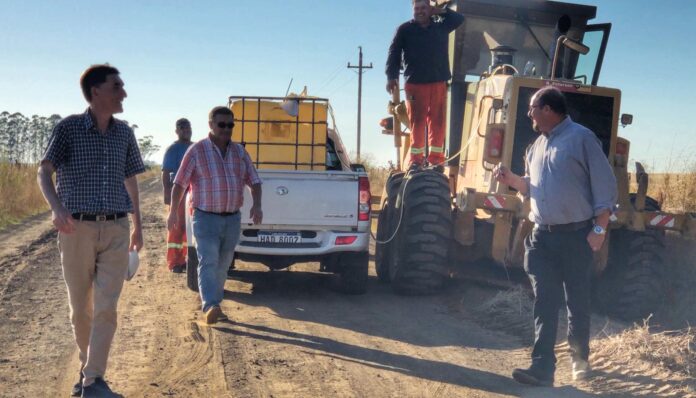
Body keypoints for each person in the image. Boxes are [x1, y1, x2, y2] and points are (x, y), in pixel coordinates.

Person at [494, 86, 617, 386]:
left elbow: (606, 188)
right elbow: (532, 187)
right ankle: (542, 367)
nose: (529, 114)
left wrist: (599, 230)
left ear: (548, 109)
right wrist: (511, 180)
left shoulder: (582, 139)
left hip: (576, 236)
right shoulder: (535, 146)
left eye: (532, 108)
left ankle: (580, 360)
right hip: (541, 238)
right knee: (544, 301)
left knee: (576, 300)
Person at [37, 64, 145, 398]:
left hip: (115, 228)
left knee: (106, 306)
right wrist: (56, 208)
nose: (123, 92)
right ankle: (88, 371)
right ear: (96, 92)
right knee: (80, 309)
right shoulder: (68, 129)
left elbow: (131, 179)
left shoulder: (124, 132)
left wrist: (138, 223)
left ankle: (93, 380)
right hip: (75, 229)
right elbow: (44, 171)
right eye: (117, 86)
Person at [167, 106, 262, 325]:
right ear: (211, 124)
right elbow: (179, 183)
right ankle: (210, 305)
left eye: (230, 125)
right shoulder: (197, 151)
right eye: (222, 124)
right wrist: (173, 211)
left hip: (232, 219)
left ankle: (215, 303)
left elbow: (254, 180)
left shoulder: (239, 152)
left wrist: (257, 205)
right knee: (208, 261)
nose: (226, 129)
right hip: (205, 218)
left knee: (224, 263)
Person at [385, 0, 464, 171]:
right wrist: (391, 76)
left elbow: (459, 19)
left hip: (438, 81)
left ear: (430, 9)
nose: (420, 11)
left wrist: (440, 11)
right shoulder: (404, 30)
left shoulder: (440, 27)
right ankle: (416, 160)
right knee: (418, 122)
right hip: (415, 83)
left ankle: (436, 160)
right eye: (417, 8)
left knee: (438, 121)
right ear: (412, 10)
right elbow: (393, 53)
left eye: (424, 8)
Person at [162, 118, 193, 273]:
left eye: (188, 127)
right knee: (176, 227)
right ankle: (175, 262)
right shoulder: (172, 149)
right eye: (182, 128)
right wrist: (167, 194)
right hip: (178, 193)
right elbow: (166, 173)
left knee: (191, 228)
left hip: (193, 193)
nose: (186, 130)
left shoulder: (195, 147)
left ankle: (188, 260)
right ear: (177, 131)